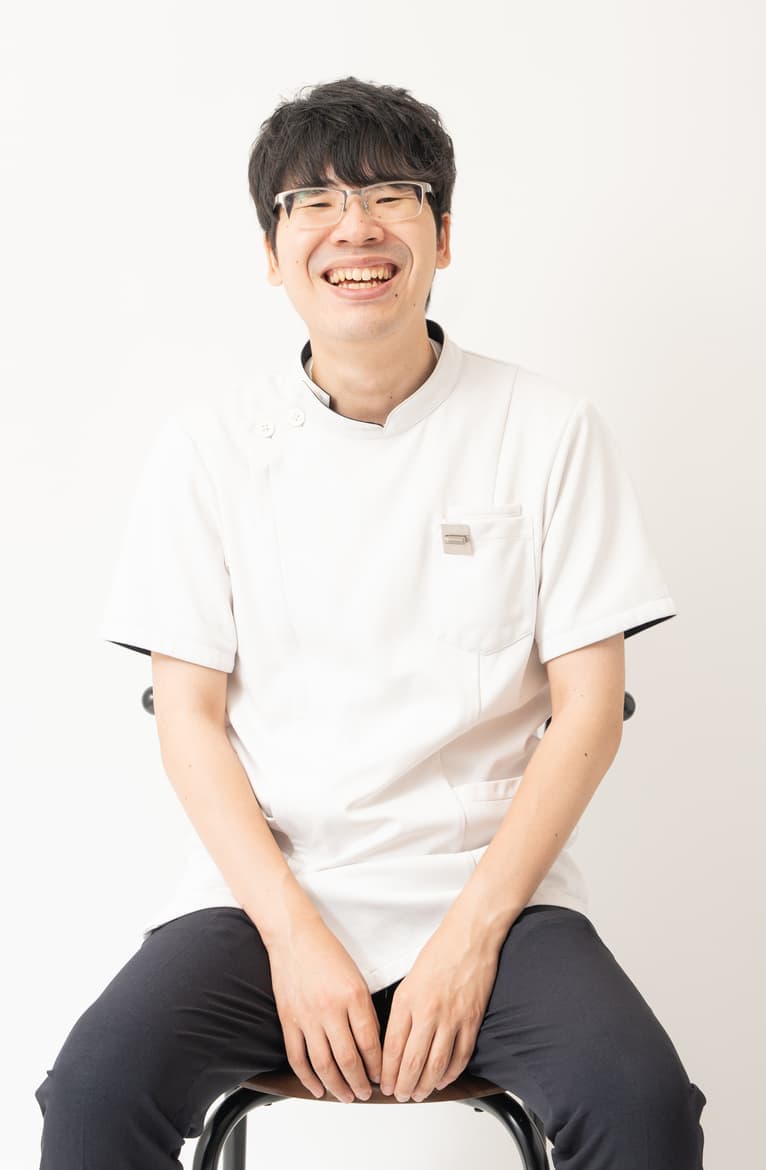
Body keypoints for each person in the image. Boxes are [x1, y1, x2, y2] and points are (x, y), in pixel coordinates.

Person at [35, 76, 707, 1168]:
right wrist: (293, 937)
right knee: (97, 1090)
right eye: (314, 201)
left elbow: (591, 708)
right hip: (265, 899)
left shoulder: (547, 430)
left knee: (642, 1101)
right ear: (273, 251)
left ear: (442, 236)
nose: (356, 228)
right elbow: (188, 718)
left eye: (392, 195)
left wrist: (472, 937)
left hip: (495, 897)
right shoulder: (207, 448)